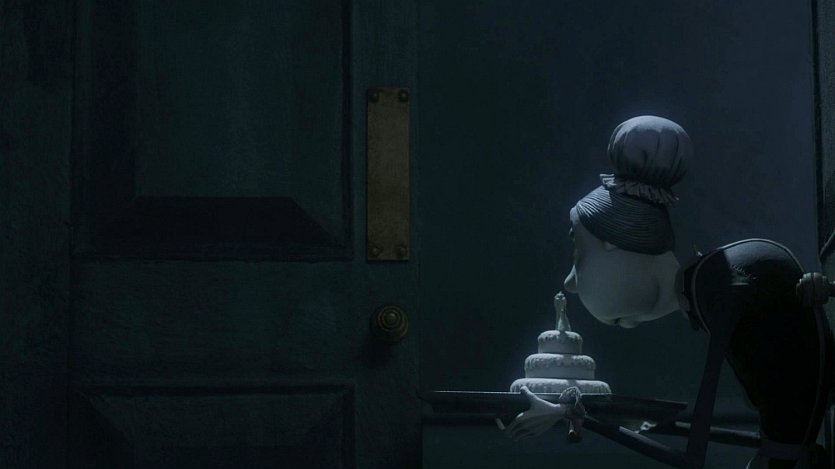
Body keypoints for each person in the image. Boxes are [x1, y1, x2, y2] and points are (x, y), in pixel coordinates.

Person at [503, 116, 833, 469]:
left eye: (578, 253)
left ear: (614, 245)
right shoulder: (716, 281)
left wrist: (568, 411)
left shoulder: (725, 289)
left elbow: (692, 458)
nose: (570, 283)